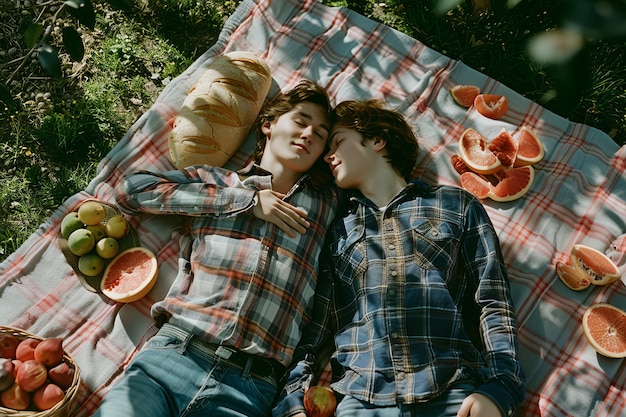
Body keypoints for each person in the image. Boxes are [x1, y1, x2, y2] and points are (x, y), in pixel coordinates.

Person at [93, 80, 339, 417]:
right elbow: (132, 191)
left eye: (321, 133)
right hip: (171, 358)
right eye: (300, 120)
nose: (310, 133)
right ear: (268, 124)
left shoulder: (327, 207)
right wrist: (245, 201)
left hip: (250, 389)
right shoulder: (219, 182)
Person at [273, 100, 526, 417]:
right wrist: (292, 402)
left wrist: (502, 386)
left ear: (377, 141)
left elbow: (492, 301)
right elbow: (315, 331)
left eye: (338, 142)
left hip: (452, 393)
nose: (327, 155)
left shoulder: (455, 204)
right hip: (361, 402)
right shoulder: (337, 232)